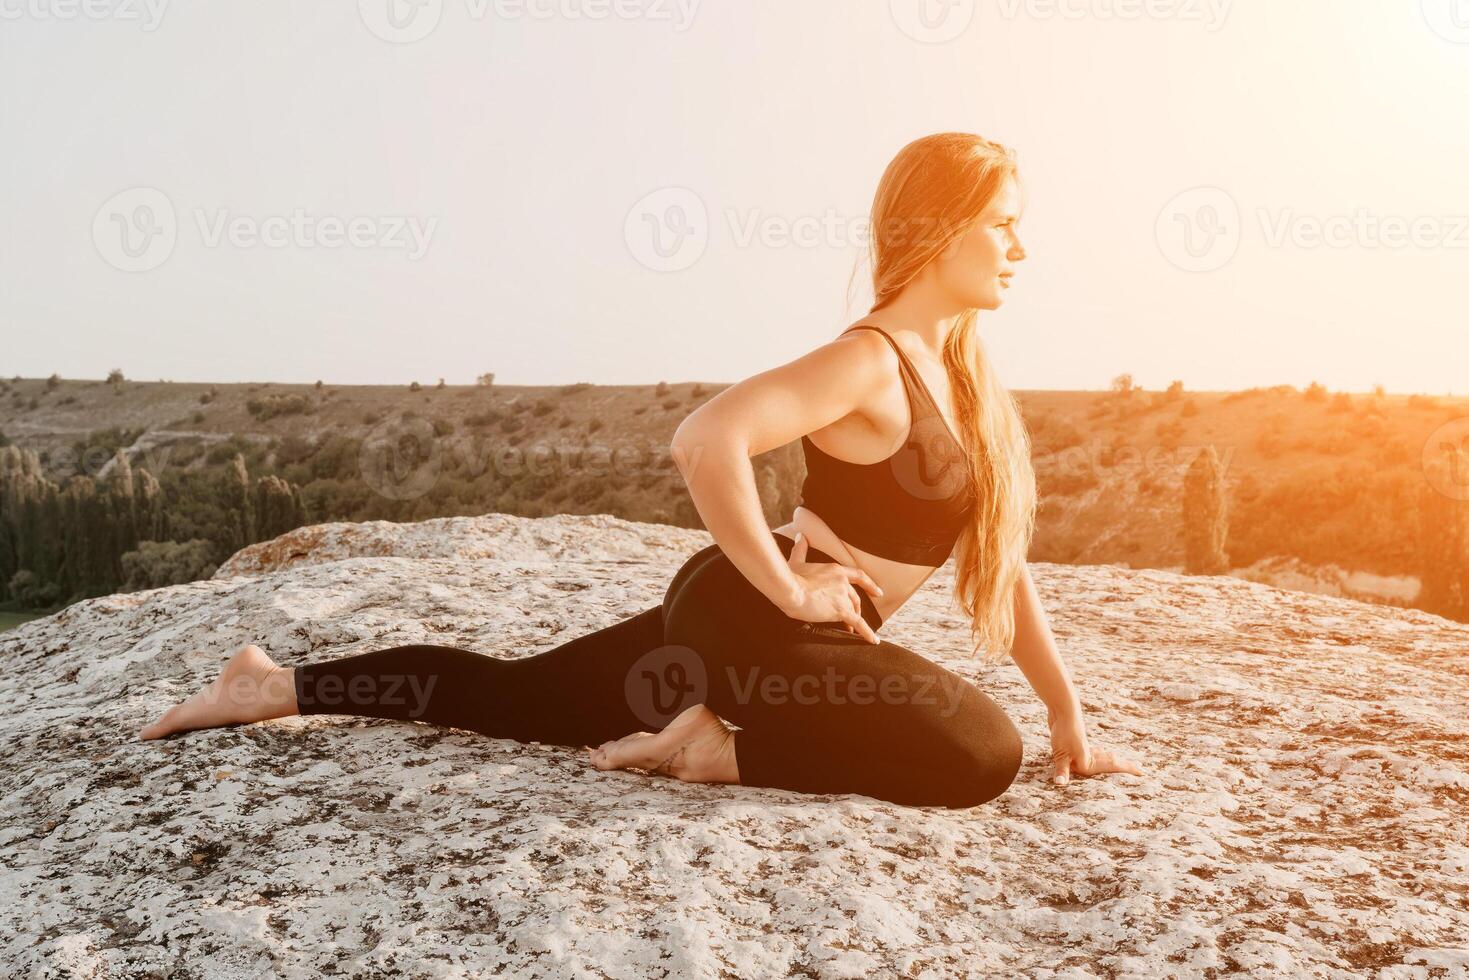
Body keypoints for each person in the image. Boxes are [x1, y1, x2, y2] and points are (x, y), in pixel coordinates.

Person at [139, 132, 1143, 808]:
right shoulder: (868, 358)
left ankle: (269, 686)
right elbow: (705, 439)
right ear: (935, 227)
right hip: (748, 622)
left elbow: (1000, 566)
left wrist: (1067, 711)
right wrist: (788, 581)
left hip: (757, 638)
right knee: (977, 755)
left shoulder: (960, 376)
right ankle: (717, 746)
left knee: (519, 698)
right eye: (1002, 220)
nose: (1020, 244)